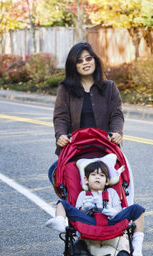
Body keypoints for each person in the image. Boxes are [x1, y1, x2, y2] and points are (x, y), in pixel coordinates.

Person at [48, 41, 124, 184]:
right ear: (74, 65)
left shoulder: (109, 87)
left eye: (88, 58)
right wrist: (60, 135)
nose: (85, 63)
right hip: (75, 149)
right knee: (54, 172)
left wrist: (117, 132)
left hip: (104, 147)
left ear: (95, 60)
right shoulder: (65, 88)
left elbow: (116, 114)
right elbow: (61, 117)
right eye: (79, 61)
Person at [46, 161, 145, 256]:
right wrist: (84, 208)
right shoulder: (83, 194)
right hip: (90, 222)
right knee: (62, 203)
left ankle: (137, 243)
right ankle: (59, 220)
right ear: (86, 180)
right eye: (93, 175)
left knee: (137, 208)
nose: (97, 177)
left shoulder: (112, 192)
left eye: (102, 175)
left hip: (110, 222)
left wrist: (113, 212)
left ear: (107, 181)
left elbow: (119, 211)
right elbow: (77, 214)